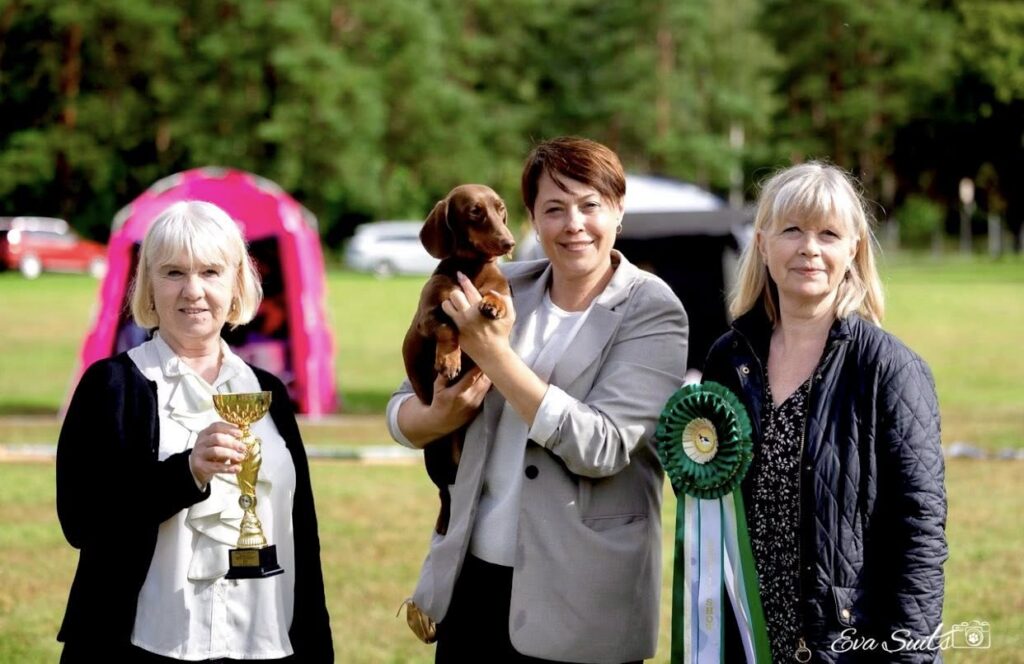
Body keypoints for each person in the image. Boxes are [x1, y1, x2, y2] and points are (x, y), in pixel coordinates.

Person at [387, 136, 689, 662]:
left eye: (590, 205)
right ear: (530, 218)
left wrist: (495, 356)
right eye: (554, 209)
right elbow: (401, 409)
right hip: (472, 586)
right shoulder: (500, 285)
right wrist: (435, 416)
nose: (573, 224)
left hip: (581, 602)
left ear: (618, 210)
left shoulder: (651, 308)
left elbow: (603, 446)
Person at [56, 201, 333, 662]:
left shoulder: (268, 392)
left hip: (263, 643)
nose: (193, 290)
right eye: (173, 273)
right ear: (148, 284)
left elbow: (300, 531)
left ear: (236, 282)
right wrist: (185, 474)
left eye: (210, 272)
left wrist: (315, 648)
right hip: (139, 648)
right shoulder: (111, 385)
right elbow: (81, 520)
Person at [701, 163, 947, 663]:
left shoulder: (890, 368)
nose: (809, 248)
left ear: (853, 249)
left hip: (847, 645)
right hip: (744, 636)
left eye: (828, 234)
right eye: (792, 230)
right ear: (763, 244)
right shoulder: (728, 360)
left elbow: (919, 532)